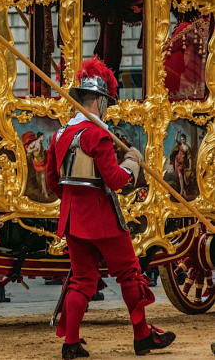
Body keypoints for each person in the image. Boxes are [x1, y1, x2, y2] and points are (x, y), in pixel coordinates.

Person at [46, 58, 176, 359]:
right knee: (130, 274)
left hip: (73, 219)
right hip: (102, 218)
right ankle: (143, 336)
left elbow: (53, 182)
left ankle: (71, 344)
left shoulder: (60, 135)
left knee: (82, 280)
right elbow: (116, 181)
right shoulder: (98, 135)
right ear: (101, 102)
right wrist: (132, 162)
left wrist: (74, 198)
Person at [170, 130, 192, 199]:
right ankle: (181, 191)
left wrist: (190, 167)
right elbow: (176, 139)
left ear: (185, 139)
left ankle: (184, 191)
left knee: (182, 177)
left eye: (183, 139)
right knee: (180, 176)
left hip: (183, 164)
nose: (182, 141)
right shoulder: (180, 145)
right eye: (181, 139)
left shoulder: (187, 147)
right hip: (177, 161)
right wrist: (177, 133)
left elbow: (189, 158)